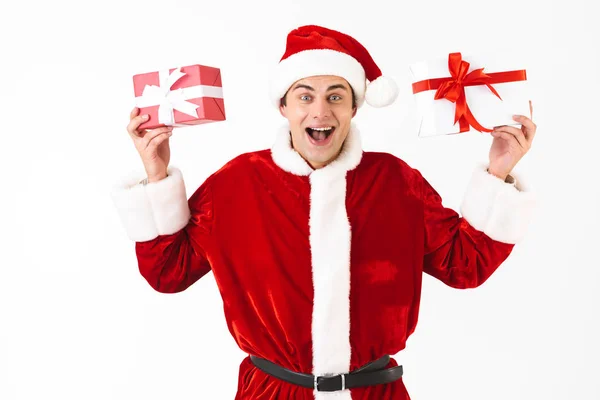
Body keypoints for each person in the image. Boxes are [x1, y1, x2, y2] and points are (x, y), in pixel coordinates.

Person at [110, 25, 538, 400]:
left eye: (336, 96)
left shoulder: (395, 181)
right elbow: (169, 272)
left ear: (353, 109)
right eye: (305, 96)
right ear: (284, 107)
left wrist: (498, 171)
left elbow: (465, 266)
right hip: (272, 393)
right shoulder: (237, 183)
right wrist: (157, 174)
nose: (320, 111)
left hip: (377, 392)